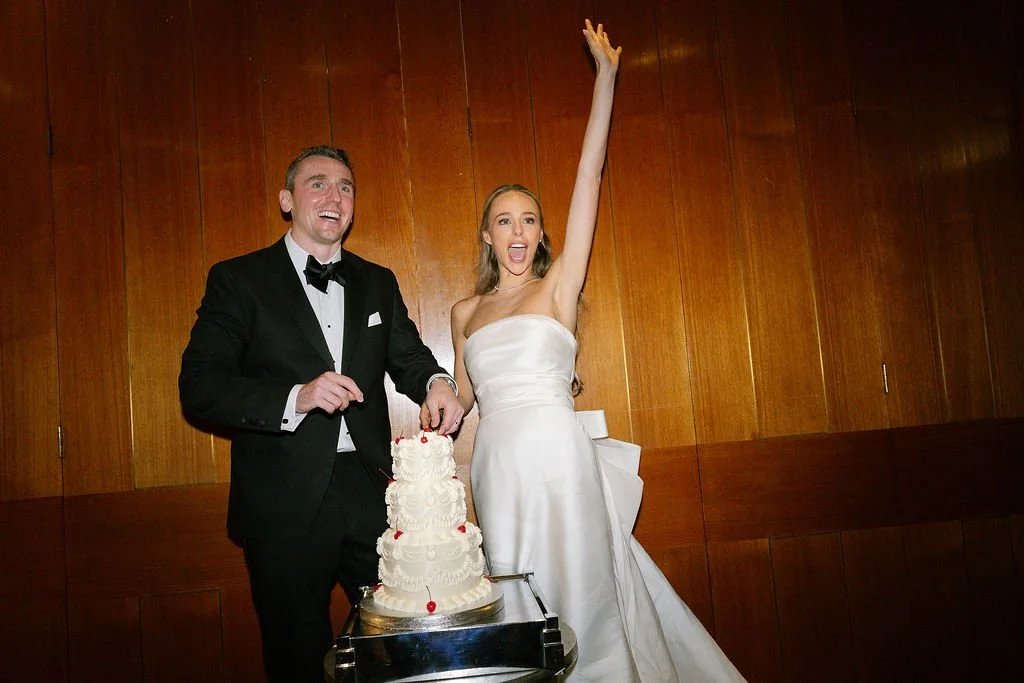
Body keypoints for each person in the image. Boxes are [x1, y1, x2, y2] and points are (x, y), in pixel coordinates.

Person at [450, 21, 745, 682]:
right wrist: (435, 437)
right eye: (505, 220)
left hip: (559, 457)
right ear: (488, 236)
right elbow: (463, 404)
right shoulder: (464, 312)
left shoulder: (559, 289)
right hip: (497, 468)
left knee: (583, 606)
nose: (519, 231)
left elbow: (588, 174)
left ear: (542, 234)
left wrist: (606, 78)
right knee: (519, 615)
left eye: (529, 219)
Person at [179, 145, 464, 682]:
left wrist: (437, 382)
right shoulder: (239, 280)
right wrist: (296, 397)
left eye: (346, 187)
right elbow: (200, 387)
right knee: (297, 658)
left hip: (372, 493)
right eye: (317, 183)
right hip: (282, 502)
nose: (334, 196)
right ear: (287, 200)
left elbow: (408, 356)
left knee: (400, 651)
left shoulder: (377, 280)